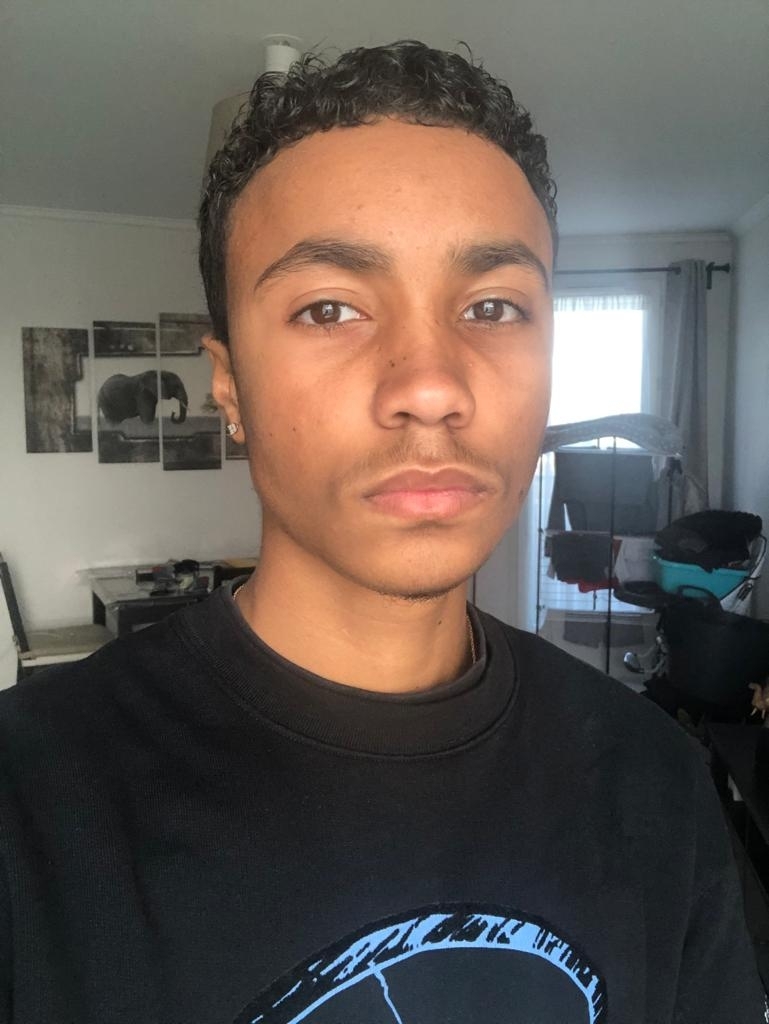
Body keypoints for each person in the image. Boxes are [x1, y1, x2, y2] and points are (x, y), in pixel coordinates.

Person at [0, 40, 765, 1024]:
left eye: (492, 306)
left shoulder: (655, 780)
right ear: (228, 386)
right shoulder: (31, 808)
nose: (431, 386)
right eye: (329, 308)